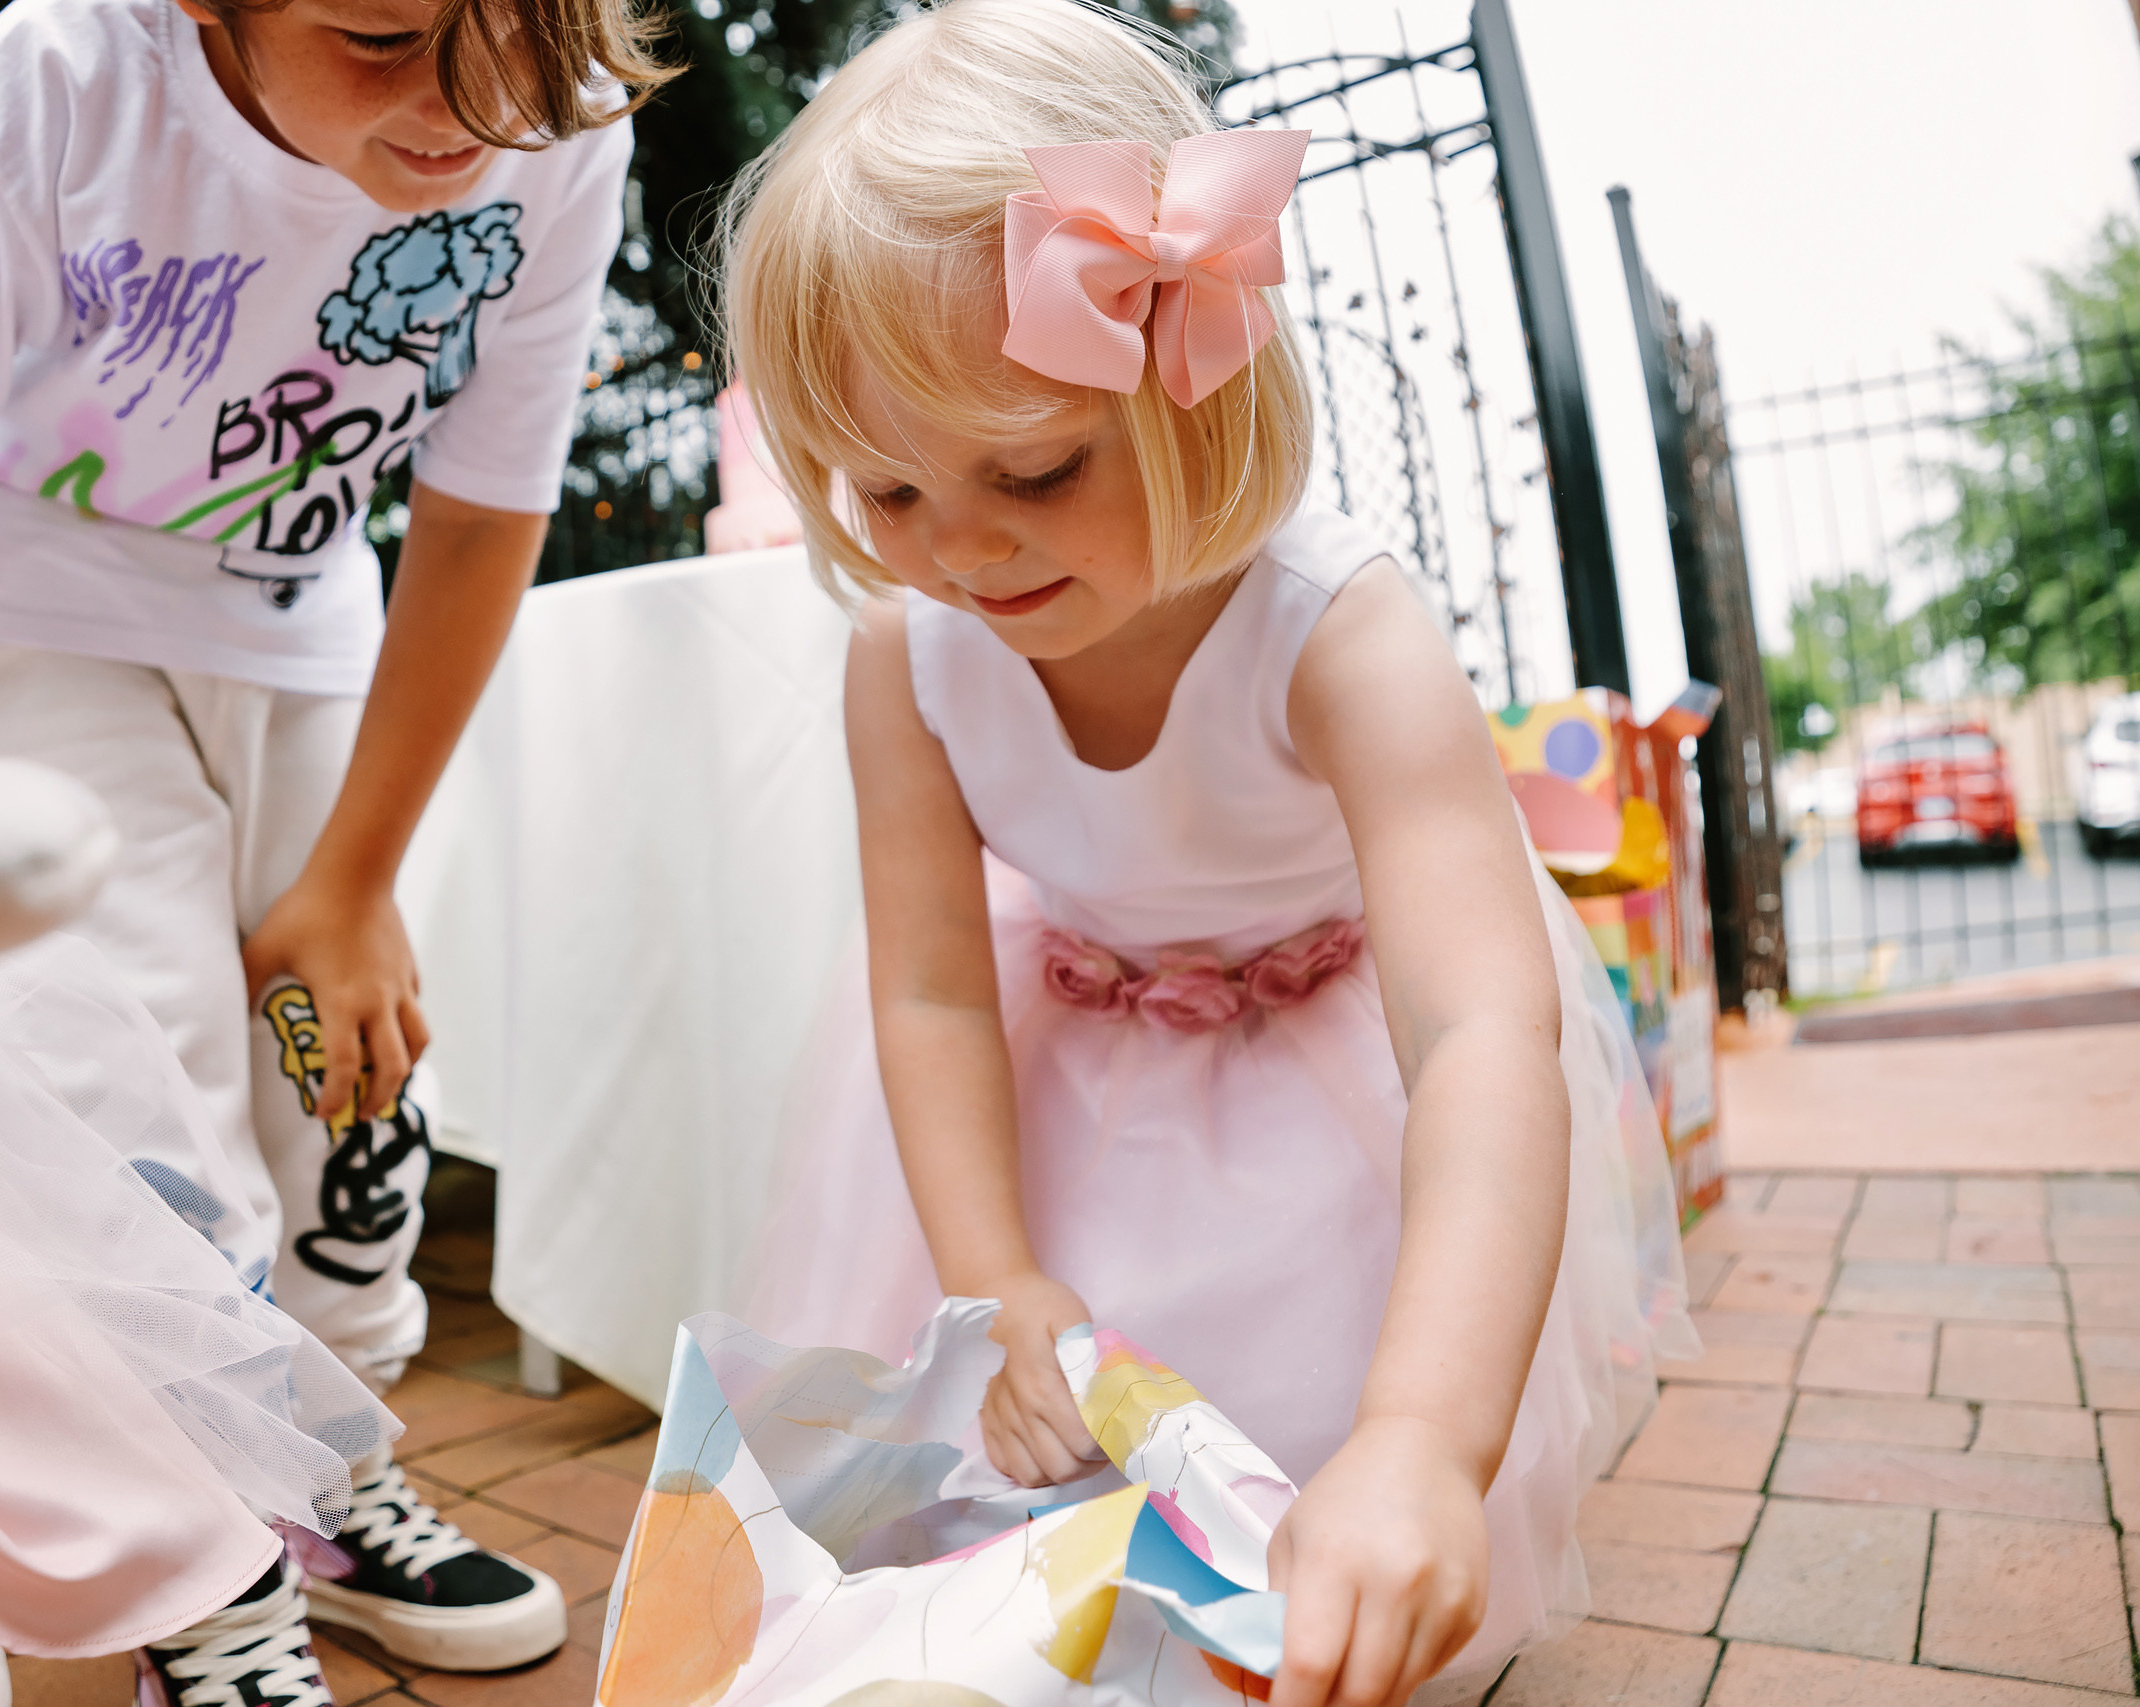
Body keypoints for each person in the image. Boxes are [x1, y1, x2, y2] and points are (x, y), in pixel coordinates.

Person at [723, 3, 1695, 1702]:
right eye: (882, 494)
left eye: (1030, 467)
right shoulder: (910, 649)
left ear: (1198, 373)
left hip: (1338, 1109)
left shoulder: (1341, 632)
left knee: (1301, 1476)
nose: (956, 548)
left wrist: (1420, 1439)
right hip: (1066, 1089)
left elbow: (1476, 1031)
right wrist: (993, 1275)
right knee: (1046, 1513)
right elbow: (938, 991)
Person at [0, 0, 668, 1681]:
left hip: (300, 623)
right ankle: (200, 1558)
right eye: (385, 37)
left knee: (357, 1081)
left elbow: (482, 508)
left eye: (522, 40)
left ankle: (329, 1476)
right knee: (134, 1105)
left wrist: (356, 880)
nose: (472, 111)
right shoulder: (63, 83)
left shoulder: (554, 118)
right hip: (22, 613)